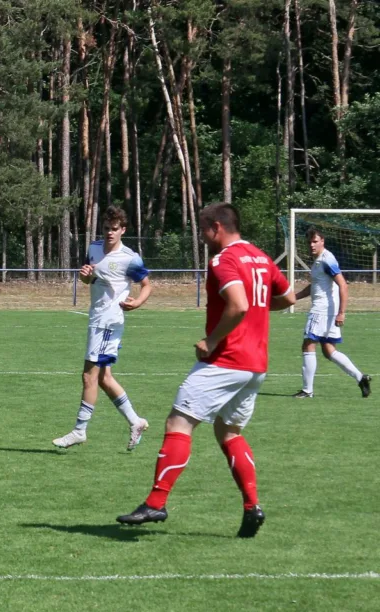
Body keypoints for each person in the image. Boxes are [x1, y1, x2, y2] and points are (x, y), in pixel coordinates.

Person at [117, 203, 296, 538]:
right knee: (229, 432)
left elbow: (239, 305)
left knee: (178, 422)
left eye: (203, 231)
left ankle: (156, 502)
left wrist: (212, 340)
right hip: (256, 364)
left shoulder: (223, 259)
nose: (202, 238)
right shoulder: (261, 257)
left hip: (227, 360)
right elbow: (286, 298)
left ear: (217, 227)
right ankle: (251, 506)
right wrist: (257, 310)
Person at [53, 206, 153, 451]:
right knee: (105, 378)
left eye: (115, 229)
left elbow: (147, 284)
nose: (110, 233)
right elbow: (89, 278)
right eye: (107, 228)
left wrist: (138, 302)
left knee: (89, 376)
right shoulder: (94, 249)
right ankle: (135, 421)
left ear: (123, 230)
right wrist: (85, 275)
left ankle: (79, 430)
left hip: (108, 320)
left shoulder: (130, 257)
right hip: (96, 317)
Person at [292, 229, 370, 399]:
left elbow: (343, 285)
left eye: (315, 241)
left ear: (322, 241)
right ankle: (361, 378)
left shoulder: (327, 260)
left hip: (322, 310)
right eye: (309, 242)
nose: (312, 245)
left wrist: (342, 312)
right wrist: (295, 297)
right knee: (328, 350)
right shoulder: (318, 261)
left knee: (308, 344)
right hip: (327, 310)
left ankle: (307, 390)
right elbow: (315, 286)